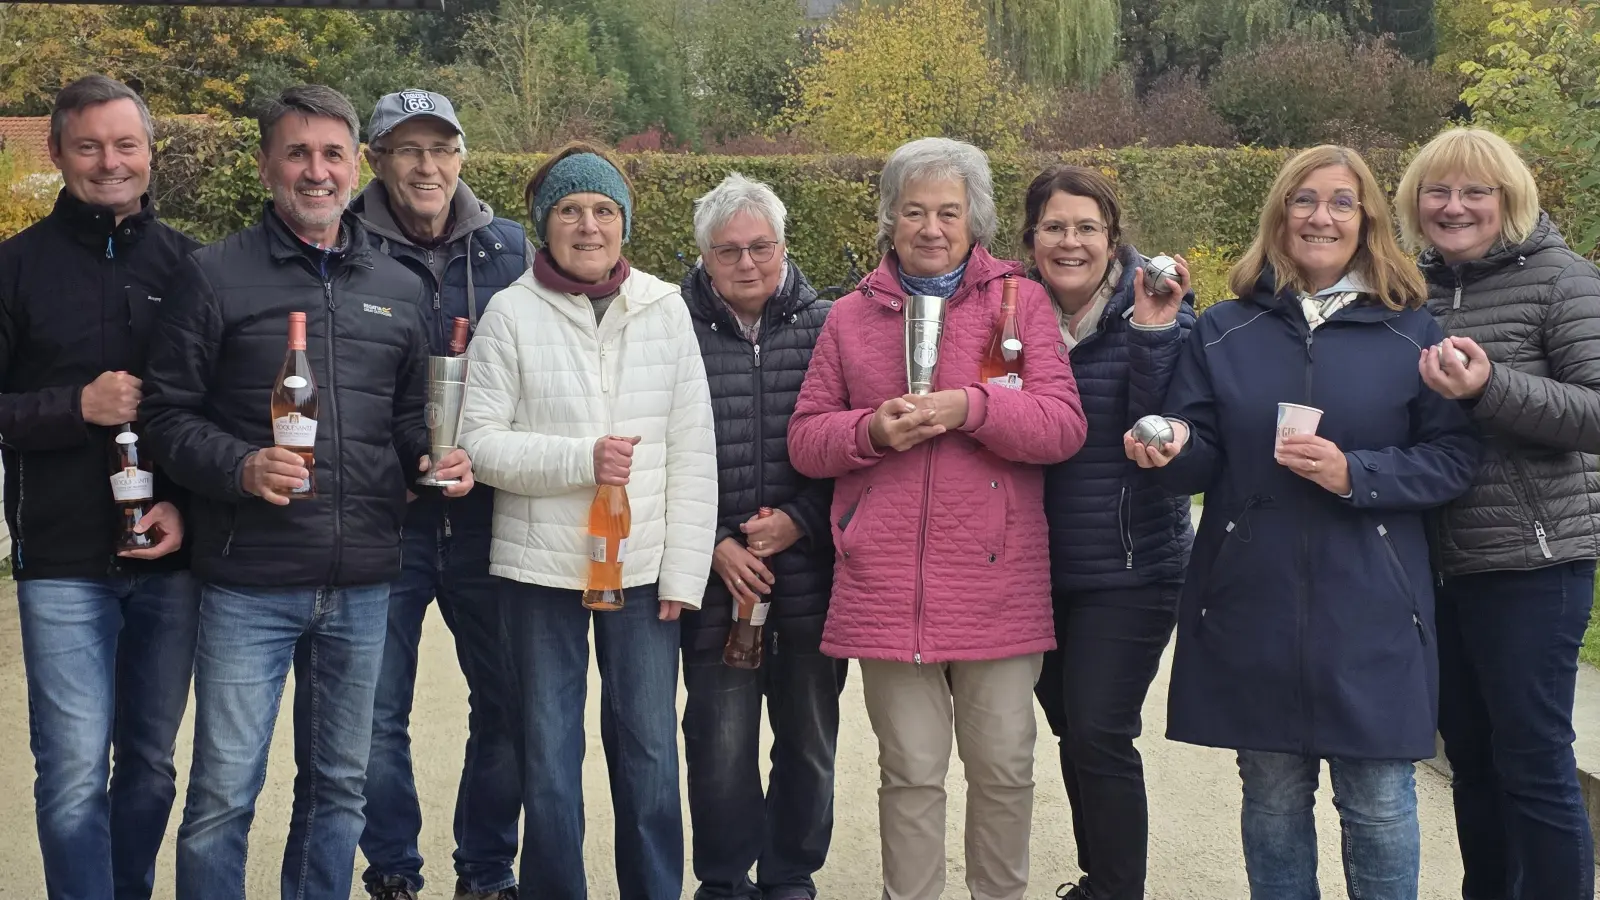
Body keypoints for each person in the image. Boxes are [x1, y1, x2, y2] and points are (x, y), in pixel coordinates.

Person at [140, 84, 475, 900]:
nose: (316, 172)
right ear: (266, 166)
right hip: (248, 581)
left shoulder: (397, 285)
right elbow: (163, 416)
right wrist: (241, 466)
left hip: (364, 581)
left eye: (332, 154)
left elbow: (403, 420)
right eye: (297, 153)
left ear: (357, 163)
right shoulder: (213, 275)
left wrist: (436, 463)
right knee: (223, 797)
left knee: (339, 791)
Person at [1129, 144, 1480, 900]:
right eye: (1304, 199)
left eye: (1341, 202)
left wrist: (1358, 473)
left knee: (1380, 803)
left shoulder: (1411, 331)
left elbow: (1453, 461)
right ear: (1279, 215)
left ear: (1367, 222)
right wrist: (1175, 449)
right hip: (1255, 597)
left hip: (1374, 603)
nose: (1321, 216)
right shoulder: (1221, 329)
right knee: (1273, 797)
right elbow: (1198, 458)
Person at [787, 137, 1088, 900]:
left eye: (948, 211)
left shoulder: (1020, 304)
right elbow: (807, 439)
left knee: (1004, 770)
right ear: (890, 218)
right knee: (911, 775)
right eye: (914, 211)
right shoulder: (850, 316)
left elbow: (1061, 426)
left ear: (974, 218)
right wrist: (870, 432)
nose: (931, 227)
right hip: (888, 583)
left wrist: (973, 407)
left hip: (997, 582)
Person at [458, 141, 716, 900]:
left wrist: (685, 572)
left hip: (640, 574)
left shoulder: (666, 310)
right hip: (540, 572)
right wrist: (583, 459)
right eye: (570, 210)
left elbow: (692, 450)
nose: (589, 225)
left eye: (604, 209)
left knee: (647, 752)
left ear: (625, 223)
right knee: (548, 752)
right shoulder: (509, 312)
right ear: (544, 223)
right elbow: (480, 444)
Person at [0, 74, 197, 900]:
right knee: (74, 769)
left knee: (150, 766)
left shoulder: (192, 266)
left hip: (171, 559)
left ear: (150, 153)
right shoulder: (14, 268)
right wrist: (72, 407)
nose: (109, 163)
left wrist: (185, 503)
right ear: (56, 153)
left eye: (125, 145)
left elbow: (216, 409)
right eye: (89, 146)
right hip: (61, 560)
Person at [1397, 126, 1600, 900]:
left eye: (1475, 191)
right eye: (1438, 191)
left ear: (1509, 200)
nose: (1455, 206)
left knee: (1534, 759)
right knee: (1471, 759)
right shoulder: (1407, 288)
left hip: (1532, 560)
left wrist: (1490, 388)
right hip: (1436, 560)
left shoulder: (1562, 280)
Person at [350, 88, 528, 900]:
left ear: (462, 155)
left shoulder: (512, 250)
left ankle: (486, 873)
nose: (427, 165)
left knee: (507, 706)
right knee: (372, 713)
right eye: (408, 149)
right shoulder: (339, 246)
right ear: (378, 159)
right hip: (384, 520)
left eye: (442, 148)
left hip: (490, 519)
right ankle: (393, 869)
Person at [1022, 165, 1195, 900]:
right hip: (1034, 568)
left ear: (1112, 237)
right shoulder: (1010, 315)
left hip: (1131, 567)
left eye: (1087, 227)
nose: (1071, 241)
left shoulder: (1160, 309)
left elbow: (1163, 428)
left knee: (1099, 730)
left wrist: (1153, 332)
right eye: (1055, 227)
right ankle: (1098, 878)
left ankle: (1116, 889)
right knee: (1074, 730)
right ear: (1031, 239)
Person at [679, 173, 843, 900]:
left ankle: (790, 876)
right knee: (718, 746)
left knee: (808, 743)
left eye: (761, 247)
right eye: (728, 252)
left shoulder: (833, 324)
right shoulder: (668, 326)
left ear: (784, 245)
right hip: (715, 578)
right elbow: (653, 452)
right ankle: (723, 879)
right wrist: (714, 542)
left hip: (810, 575)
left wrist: (800, 521)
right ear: (704, 257)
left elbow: (856, 448)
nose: (747, 264)